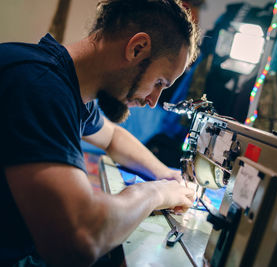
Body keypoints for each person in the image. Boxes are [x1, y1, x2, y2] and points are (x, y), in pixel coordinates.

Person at [0, 0, 199, 266]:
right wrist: (156, 193)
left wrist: (167, 174)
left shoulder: (67, 86)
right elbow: (78, 240)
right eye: (159, 83)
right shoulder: (38, 87)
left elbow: (114, 137)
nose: (153, 100)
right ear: (137, 48)